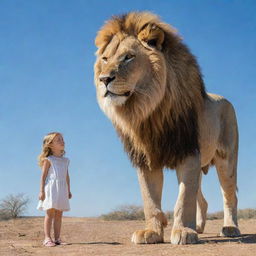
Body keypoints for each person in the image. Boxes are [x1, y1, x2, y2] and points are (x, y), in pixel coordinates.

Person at [37, 132, 72, 247]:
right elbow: (43, 176)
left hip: (62, 189)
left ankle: (57, 239)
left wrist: (69, 190)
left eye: (62, 139)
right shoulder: (49, 159)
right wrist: (41, 191)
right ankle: (47, 238)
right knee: (50, 213)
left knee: (59, 214)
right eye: (58, 140)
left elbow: (67, 176)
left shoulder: (65, 160)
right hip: (51, 188)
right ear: (50, 145)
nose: (62, 141)